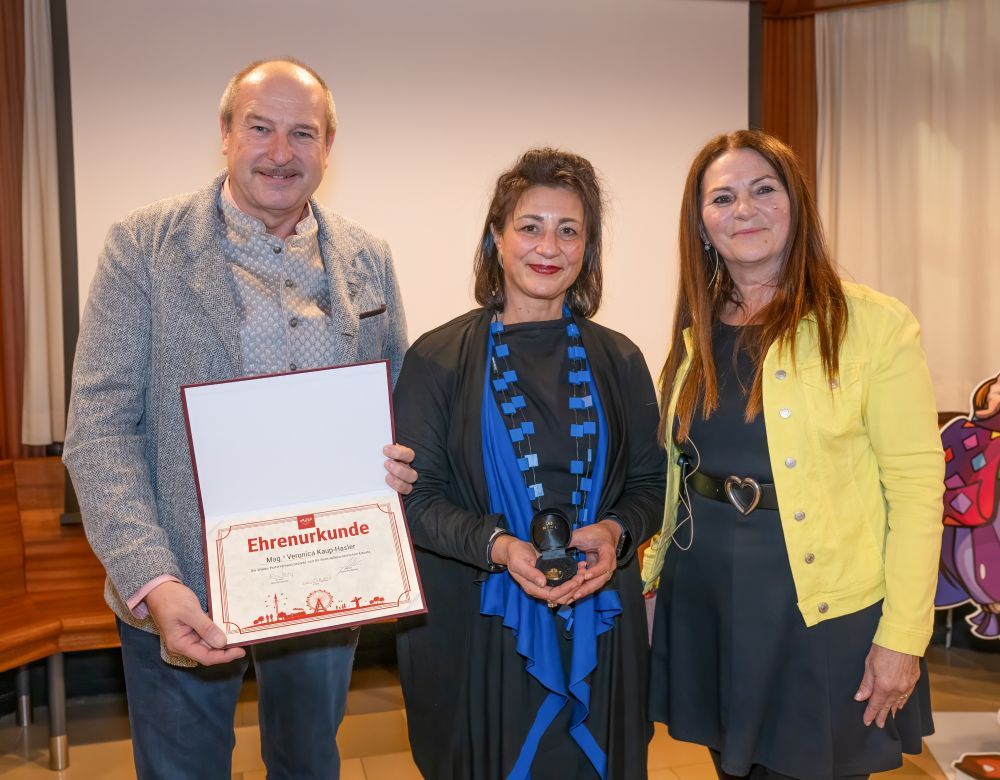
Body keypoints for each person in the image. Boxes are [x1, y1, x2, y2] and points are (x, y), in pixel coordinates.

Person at [63, 58, 416, 780]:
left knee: (309, 764)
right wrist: (152, 579)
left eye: (302, 133)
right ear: (224, 134)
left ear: (328, 146)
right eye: (260, 128)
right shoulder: (143, 248)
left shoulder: (368, 259)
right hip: (183, 584)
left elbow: (395, 402)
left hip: (326, 578)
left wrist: (402, 463)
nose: (280, 152)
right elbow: (100, 428)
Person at [642, 130, 945, 779]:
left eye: (763, 189)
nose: (744, 209)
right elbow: (678, 476)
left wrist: (903, 636)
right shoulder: (695, 331)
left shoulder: (873, 324)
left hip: (819, 613)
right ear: (701, 224)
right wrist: (653, 578)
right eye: (722, 197)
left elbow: (918, 490)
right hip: (707, 602)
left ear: (796, 203)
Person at [392, 148, 666, 779]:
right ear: (497, 237)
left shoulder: (620, 360)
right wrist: (498, 546)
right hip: (483, 627)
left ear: (587, 248)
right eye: (530, 226)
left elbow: (652, 484)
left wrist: (615, 531)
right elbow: (417, 501)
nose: (549, 246)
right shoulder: (436, 359)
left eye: (569, 230)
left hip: (601, 620)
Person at [936, 372, 1000, 637]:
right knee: (970, 563)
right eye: (996, 388)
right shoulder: (959, 428)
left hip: (984, 517)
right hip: (961, 518)